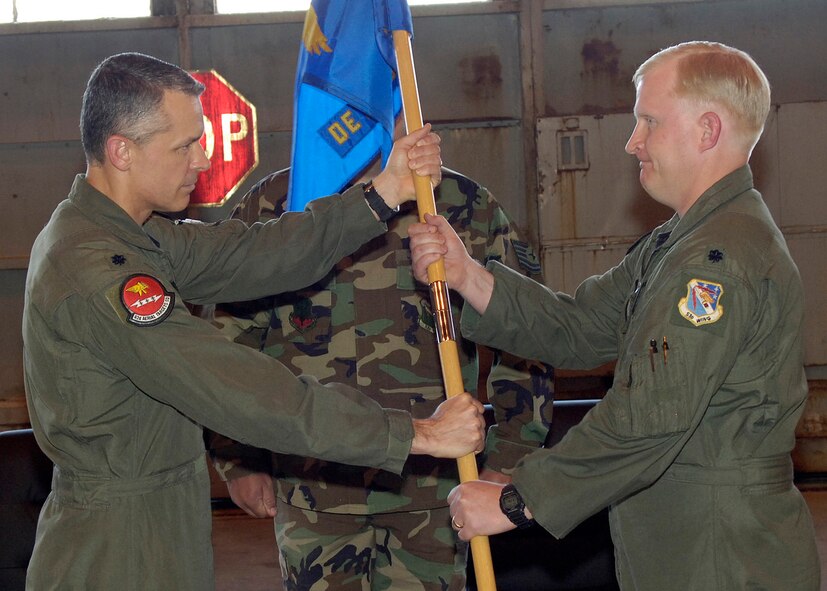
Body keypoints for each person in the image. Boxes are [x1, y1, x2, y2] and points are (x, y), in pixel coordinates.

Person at [21, 52, 488, 591]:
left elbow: (254, 253)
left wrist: (382, 195)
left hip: (153, 521)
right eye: (185, 145)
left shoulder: (131, 234)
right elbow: (236, 387)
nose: (203, 159)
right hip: (118, 546)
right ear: (122, 151)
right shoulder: (99, 268)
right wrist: (415, 434)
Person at [408, 41, 821, 590]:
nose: (633, 143)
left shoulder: (717, 260)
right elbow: (579, 327)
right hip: (685, 540)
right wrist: (466, 275)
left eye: (649, 122)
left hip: (721, 553)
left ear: (707, 130)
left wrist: (518, 500)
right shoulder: (677, 242)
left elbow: (650, 417)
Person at [208, 165, 554, 590]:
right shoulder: (278, 201)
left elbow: (526, 331)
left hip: (436, 493)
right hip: (313, 485)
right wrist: (236, 457)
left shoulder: (461, 202)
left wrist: (510, 457)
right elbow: (227, 344)